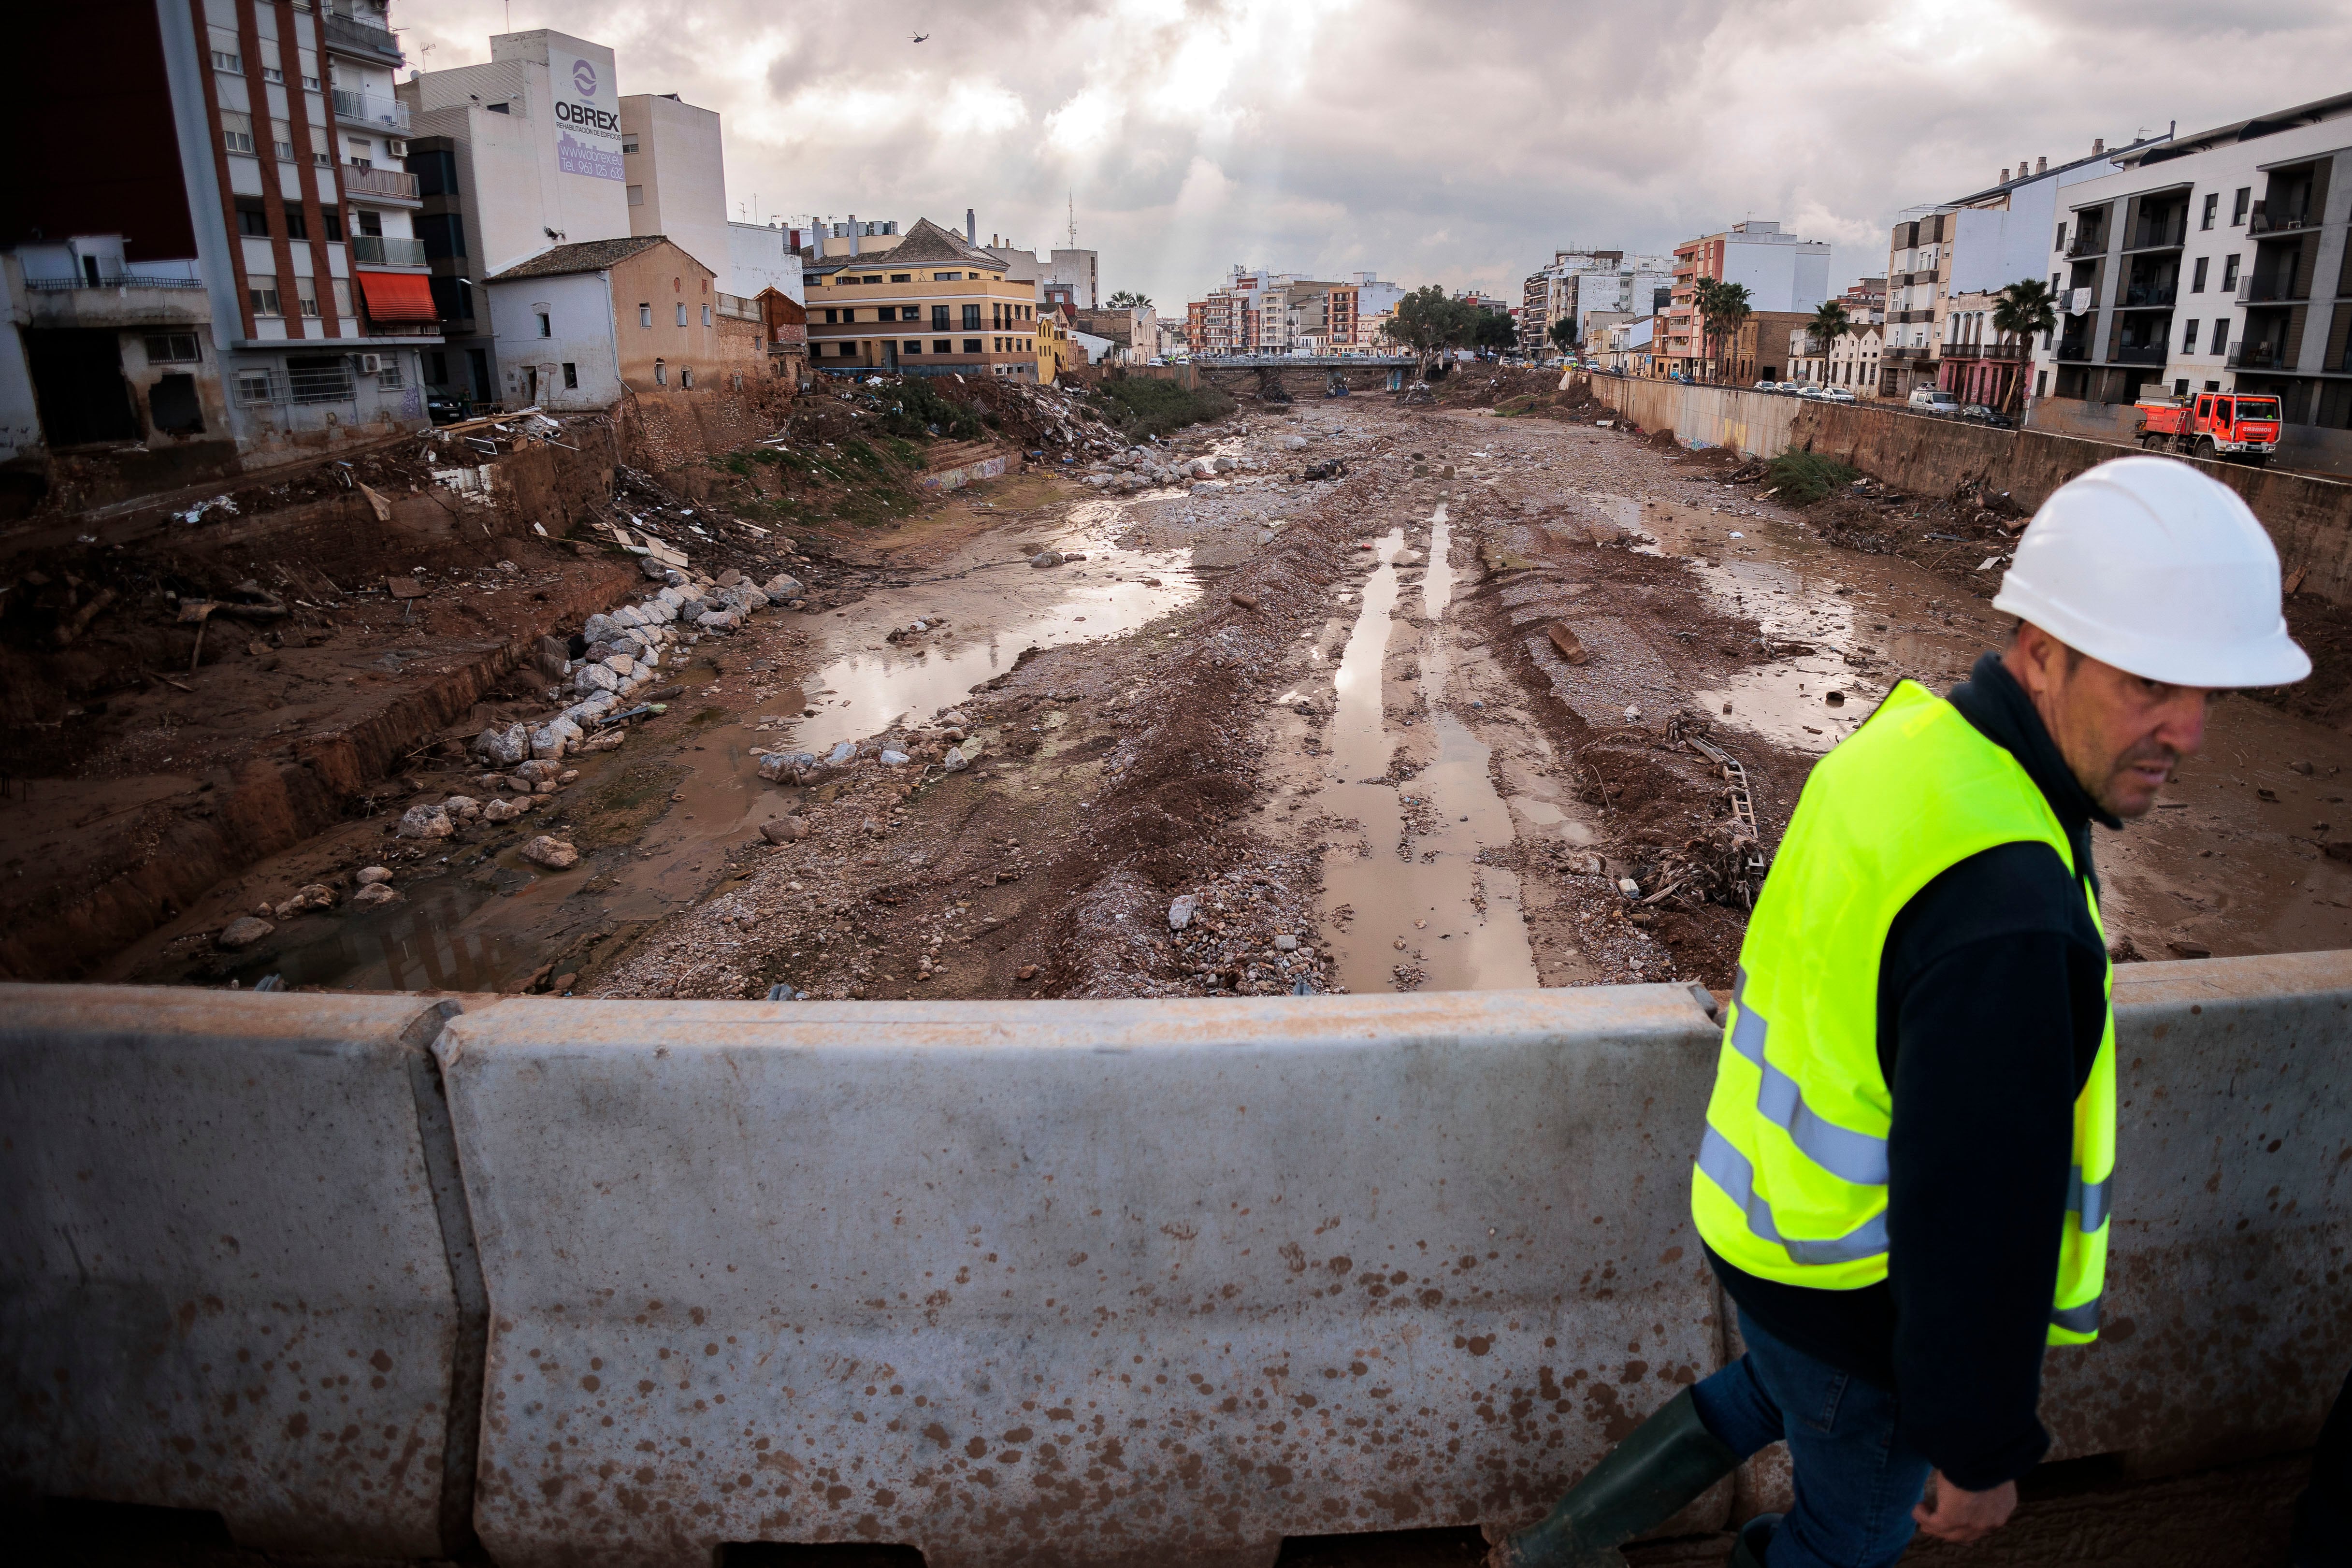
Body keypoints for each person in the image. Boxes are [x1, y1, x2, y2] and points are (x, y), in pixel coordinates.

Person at [1489, 456, 2310, 1568]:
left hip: (1762, 1224)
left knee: (1764, 1393)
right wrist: (1977, 1451)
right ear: (2040, 653)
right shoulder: (2008, 908)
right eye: (2148, 686)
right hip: (1857, 1300)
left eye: (2205, 693)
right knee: (1844, 1536)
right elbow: (1976, 1216)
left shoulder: (1911, 746)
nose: (2190, 732)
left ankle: (1551, 1551)